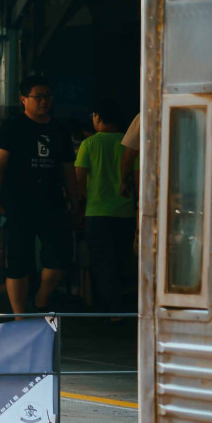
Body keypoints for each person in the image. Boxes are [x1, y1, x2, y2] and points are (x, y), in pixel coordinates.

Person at [0, 75, 78, 314]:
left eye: (47, 96)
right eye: (38, 97)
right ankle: (19, 315)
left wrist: (75, 202)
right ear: (23, 99)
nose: (44, 101)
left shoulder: (59, 129)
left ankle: (40, 301)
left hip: (52, 201)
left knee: (59, 255)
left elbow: (68, 169)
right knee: (18, 258)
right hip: (17, 203)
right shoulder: (11, 127)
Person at [75, 101, 136, 319]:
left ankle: (114, 311)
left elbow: (79, 179)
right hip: (126, 213)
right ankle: (111, 307)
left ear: (97, 117)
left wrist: (81, 202)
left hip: (97, 213)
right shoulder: (129, 144)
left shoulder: (89, 144)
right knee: (118, 263)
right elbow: (137, 176)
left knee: (102, 263)